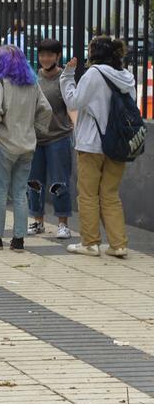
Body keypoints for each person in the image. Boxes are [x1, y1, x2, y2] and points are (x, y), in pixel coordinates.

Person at [61, 36, 138, 258]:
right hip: (119, 143)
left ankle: (90, 242)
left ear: (94, 53)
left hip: (91, 144)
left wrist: (67, 77)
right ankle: (118, 244)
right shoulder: (127, 77)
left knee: (87, 194)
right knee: (110, 194)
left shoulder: (94, 74)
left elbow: (74, 102)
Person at [0, 45, 52, 252]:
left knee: (0, 190)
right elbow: (46, 109)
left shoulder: (0, 82)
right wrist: (35, 129)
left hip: (5, 142)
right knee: (21, 192)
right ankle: (19, 239)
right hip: (27, 144)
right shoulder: (32, 83)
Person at [27, 39, 75, 240]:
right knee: (34, 182)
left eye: (50, 55)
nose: (45, 59)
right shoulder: (33, 78)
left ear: (57, 56)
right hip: (36, 139)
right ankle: (38, 221)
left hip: (59, 137)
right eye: (42, 55)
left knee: (59, 182)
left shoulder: (64, 79)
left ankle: (63, 223)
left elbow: (73, 106)